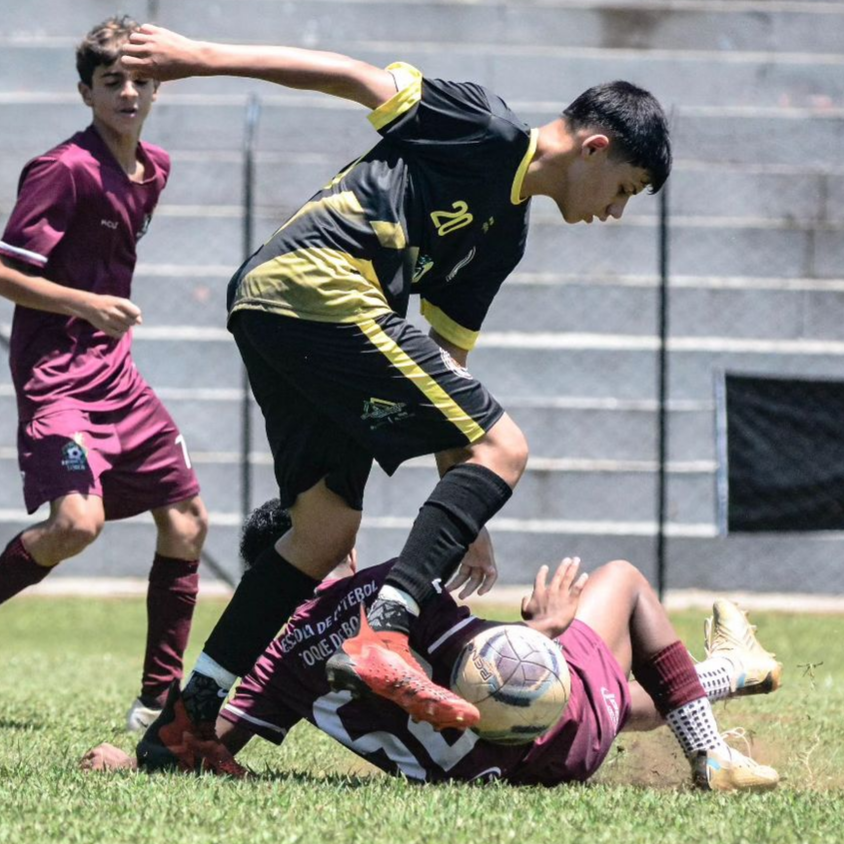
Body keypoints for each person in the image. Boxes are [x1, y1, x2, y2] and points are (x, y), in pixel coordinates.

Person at [120, 24, 672, 770]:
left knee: (322, 529)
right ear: (597, 149)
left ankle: (185, 726)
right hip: (316, 283)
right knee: (505, 443)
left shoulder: (502, 239)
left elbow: (447, 363)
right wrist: (200, 59)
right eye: (625, 191)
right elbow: (353, 76)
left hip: (282, 313)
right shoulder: (486, 126)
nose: (616, 211)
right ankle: (385, 635)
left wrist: (465, 500)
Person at [83, 499, 782, 792]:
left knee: (628, 700)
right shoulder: (387, 588)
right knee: (622, 582)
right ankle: (712, 752)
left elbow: (215, 742)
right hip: (545, 738)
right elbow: (482, 678)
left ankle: (727, 670)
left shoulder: (274, 659)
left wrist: (131, 762)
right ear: (337, 545)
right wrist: (541, 629)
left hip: (481, 777)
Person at [0, 17, 208, 732]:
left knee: (186, 520)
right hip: (58, 380)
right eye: (112, 80)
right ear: (85, 91)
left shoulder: (155, 168)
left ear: (157, 88)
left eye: (141, 80)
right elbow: (3, 271)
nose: (128, 91)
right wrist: (85, 304)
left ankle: (158, 701)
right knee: (76, 524)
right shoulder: (63, 170)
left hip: (118, 380)